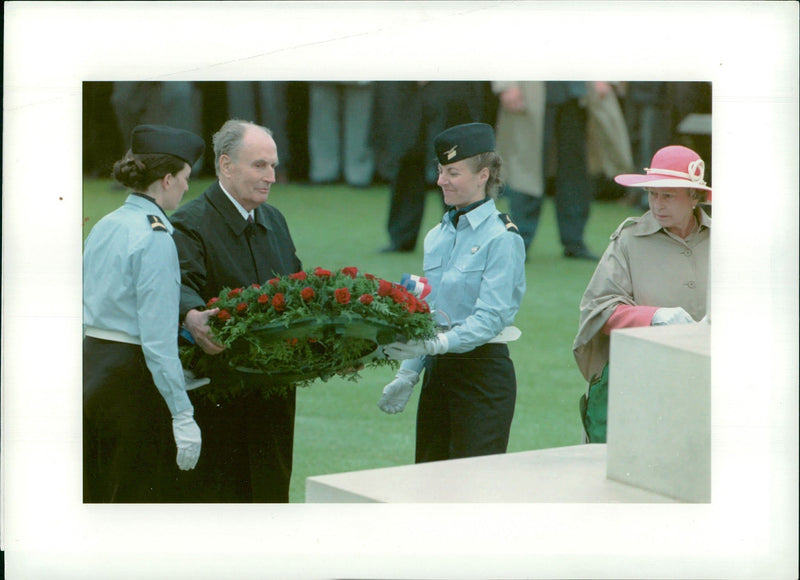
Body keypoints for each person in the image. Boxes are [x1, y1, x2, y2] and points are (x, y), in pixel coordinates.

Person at [170, 119, 303, 502]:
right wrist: (192, 315)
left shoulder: (274, 220)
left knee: (271, 497)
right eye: (259, 165)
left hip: (275, 392)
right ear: (226, 165)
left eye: (273, 166)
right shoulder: (190, 223)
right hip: (221, 395)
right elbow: (178, 284)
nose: (271, 177)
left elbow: (296, 290)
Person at [378, 123, 526, 463]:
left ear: (483, 175)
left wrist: (438, 344)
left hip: (482, 375)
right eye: (441, 170)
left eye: (453, 172)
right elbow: (429, 311)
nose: (441, 180)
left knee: (472, 495)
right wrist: (409, 372)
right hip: (438, 372)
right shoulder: (437, 235)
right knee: (429, 487)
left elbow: (491, 317)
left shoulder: (503, 238)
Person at [83, 124, 208, 502]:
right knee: (128, 495)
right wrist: (182, 414)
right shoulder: (154, 236)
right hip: (129, 376)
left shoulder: (107, 224)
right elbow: (156, 340)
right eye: (185, 178)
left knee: (93, 488)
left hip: (91, 366)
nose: (188, 187)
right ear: (167, 179)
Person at [572, 145, 712, 443]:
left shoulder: (727, 240)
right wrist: (655, 317)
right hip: (644, 385)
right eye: (652, 194)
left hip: (712, 384)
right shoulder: (628, 241)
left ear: (694, 197)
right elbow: (598, 310)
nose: (657, 204)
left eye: (668, 196)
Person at [375, 81, 486, 253]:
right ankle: (402, 236)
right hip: (406, 84)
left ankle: (464, 235)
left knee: (453, 160)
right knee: (406, 159)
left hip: (450, 82)